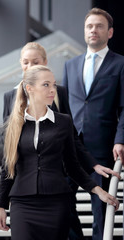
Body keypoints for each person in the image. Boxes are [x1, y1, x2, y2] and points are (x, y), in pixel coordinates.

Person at [2, 42, 120, 240]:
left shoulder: (59, 98)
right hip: (24, 193)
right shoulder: (11, 102)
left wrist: (93, 167)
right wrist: (1, 204)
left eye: (35, 62)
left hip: (56, 182)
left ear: (45, 62)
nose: (30, 66)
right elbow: (9, 158)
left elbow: (71, 140)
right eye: (26, 62)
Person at [62, 8, 124, 240]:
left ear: (110, 33)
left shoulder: (120, 64)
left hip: (103, 148)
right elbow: (64, 108)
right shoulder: (71, 65)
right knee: (63, 202)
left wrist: (120, 140)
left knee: (101, 208)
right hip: (70, 147)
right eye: (89, 26)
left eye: (99, 26)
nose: (93, 30)